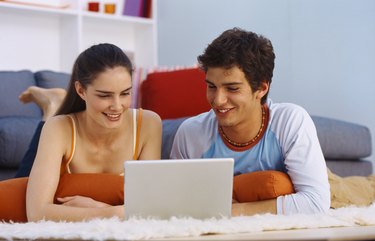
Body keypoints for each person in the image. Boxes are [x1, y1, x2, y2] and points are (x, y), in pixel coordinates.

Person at [170, 28, 331, 216]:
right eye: (211, 86)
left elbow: (316, 203)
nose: (218, 100)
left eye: (232, 88)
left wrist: (235, 211)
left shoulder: (290, 121)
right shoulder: (190, 134)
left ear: (261, 88)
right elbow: (175, 204)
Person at [1, 43, 162, 222]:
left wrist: (102, 209)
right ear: (81, 90)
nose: (117, 106)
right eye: (104, 95)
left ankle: (53, 104)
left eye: (125, 93)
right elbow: (36, 213)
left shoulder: (149, 123)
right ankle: (52, 107)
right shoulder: (59, 128)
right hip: (62, 131)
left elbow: (151, 203)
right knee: (23, 182)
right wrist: (114, 213)